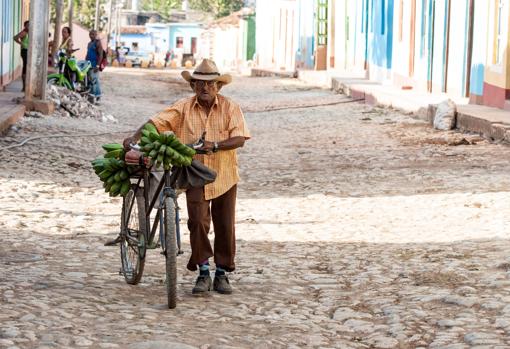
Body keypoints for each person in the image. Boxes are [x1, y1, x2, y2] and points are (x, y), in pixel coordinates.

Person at [117, 59, 250, 295]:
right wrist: (134, 138)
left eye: (210, 84)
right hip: (193, 172)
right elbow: (156, 122)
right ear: (193, 87)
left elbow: (239, 138)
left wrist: (215, 145)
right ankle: (203, 272)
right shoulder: (183, 107)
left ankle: (221, 273)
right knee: (197, 222)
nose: (205, 88)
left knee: (225, 225)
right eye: (199, 83)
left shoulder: (231, 108)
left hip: (225, 174)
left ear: (218, 86)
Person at [86, 30, 103, 104]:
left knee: (95, 80)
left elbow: (100, 55)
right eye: (90, 34)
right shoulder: (89, 43)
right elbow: (88, 54)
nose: (91, 35)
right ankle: (92, 97)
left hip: (95, 64)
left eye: (93, 34)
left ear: (96, 35)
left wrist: (98, 65)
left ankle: (98, 96)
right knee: (90, 80)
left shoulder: (98, 43)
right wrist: (85, 62)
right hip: (88, 64)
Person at [13, 21, 29, 92]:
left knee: (28, 68)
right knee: (25, 67)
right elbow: (15, 37)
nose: (29, 26)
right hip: (25, 51)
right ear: (25, 26)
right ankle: (24, 87)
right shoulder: (24, 32)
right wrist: (21, 43)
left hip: (29, 51)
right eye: (27, 25)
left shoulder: (30, 32)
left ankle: (26, 87)